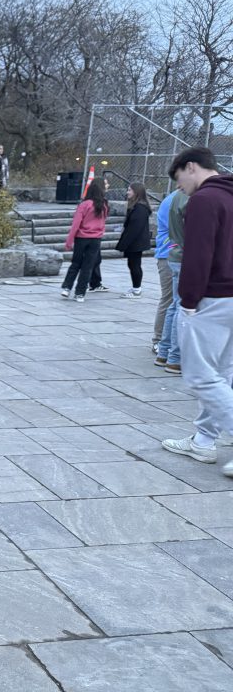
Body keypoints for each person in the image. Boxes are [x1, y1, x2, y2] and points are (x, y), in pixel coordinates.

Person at [161, 147, 233, 478]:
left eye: (180, 180)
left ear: (191, 167)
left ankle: (210, 437)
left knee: (200, 375)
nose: (181, 188)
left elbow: (197, 255)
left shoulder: (204, 201)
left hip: (214, 298)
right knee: (223, 373)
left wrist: (187, 302)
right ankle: (204, 440)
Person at [156, 189, 190, 374]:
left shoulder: (173, 197)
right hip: (173, 254)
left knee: (172, 304)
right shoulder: (181, 198)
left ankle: (164, 350)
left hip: (171, 254)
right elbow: (173, 233)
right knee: (173, 304)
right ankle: (170, 353)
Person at [60, 180, 109, 303]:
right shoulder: (103, 205)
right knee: (88, 267)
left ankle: (67, 287)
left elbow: (76, 224)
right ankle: (80, 293)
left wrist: (69, 241)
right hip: (96, 239)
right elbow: (103, 223)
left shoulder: (84, 205)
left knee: (76, 263)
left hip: (82, 238)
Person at [152, 189, 179, 354]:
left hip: (174, 255)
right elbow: (177, 233)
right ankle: (159, 339)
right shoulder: (174, 200)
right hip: (168, 256)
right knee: (169, 299)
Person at [115, 182, 152, 298]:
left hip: (136, 242)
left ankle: (137, 289)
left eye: (130, 190)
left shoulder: (140, 208)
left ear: (136, 192)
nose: (127, 192)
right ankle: (136, 287)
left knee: (135, 265)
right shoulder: (136, 206)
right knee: (132, 264)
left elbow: (134, 228)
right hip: (136, 242)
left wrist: (123, 244)